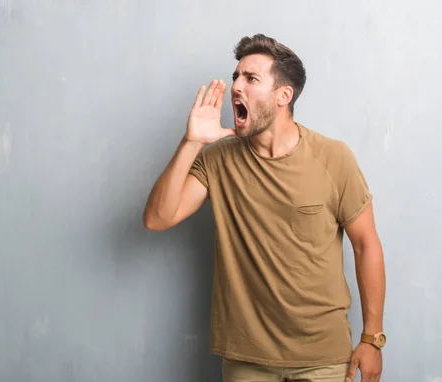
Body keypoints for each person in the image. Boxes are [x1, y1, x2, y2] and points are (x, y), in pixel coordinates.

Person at [142, 34, 386, 382]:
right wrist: (191, 141)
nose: (236, 87)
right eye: (236, 77)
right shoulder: (218, 160)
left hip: (324, 359)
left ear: (283, 96)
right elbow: (157, 219)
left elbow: (366, 246)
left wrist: (372, 339)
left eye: (251, 79)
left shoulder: (334, 158)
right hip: (247, 361)